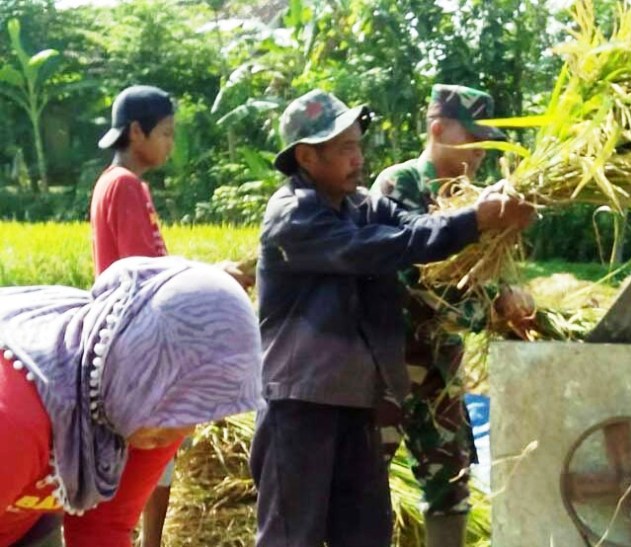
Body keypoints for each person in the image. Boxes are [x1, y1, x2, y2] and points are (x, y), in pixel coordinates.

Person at [249, 89, 535, 547]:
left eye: (359, 145)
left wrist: (483, 212)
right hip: (301, 406)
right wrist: (475, 221)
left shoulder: (360, 205)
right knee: (292, 537)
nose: (358, 158)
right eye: (345, 149)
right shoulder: (295, 215)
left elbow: (412, 227)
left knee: (365, 534)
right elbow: (381, 248)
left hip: (357, 402)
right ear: (307, 156)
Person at [0, 256, 263, 547]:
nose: (188, 430)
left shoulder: (148, 412)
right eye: (186, 400)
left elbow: (102, 529)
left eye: (199, 405)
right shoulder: (16, 418)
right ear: (141, 363)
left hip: (22, 521)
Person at [371, 84, 536, 547]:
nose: (483, 151)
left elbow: (493, 274)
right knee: (366, 479)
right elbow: (409, 273)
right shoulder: (398, 185)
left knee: (450, 483)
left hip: (442, 369)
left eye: (489, 140)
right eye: (474, 137)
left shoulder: (484, 200)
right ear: (438, 128)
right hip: (391, 365)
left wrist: (512, 296)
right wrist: (486, 311)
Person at [90, 85, 253, 547]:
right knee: (156, 450)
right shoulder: (125, 185)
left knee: (150, 454)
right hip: (139, 340)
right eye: (165, 133)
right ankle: (149, 541)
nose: (170, 144)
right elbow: (148, 271)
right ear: (136, 132)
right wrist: (211, 274)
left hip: (125, 334)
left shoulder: (110, 182)